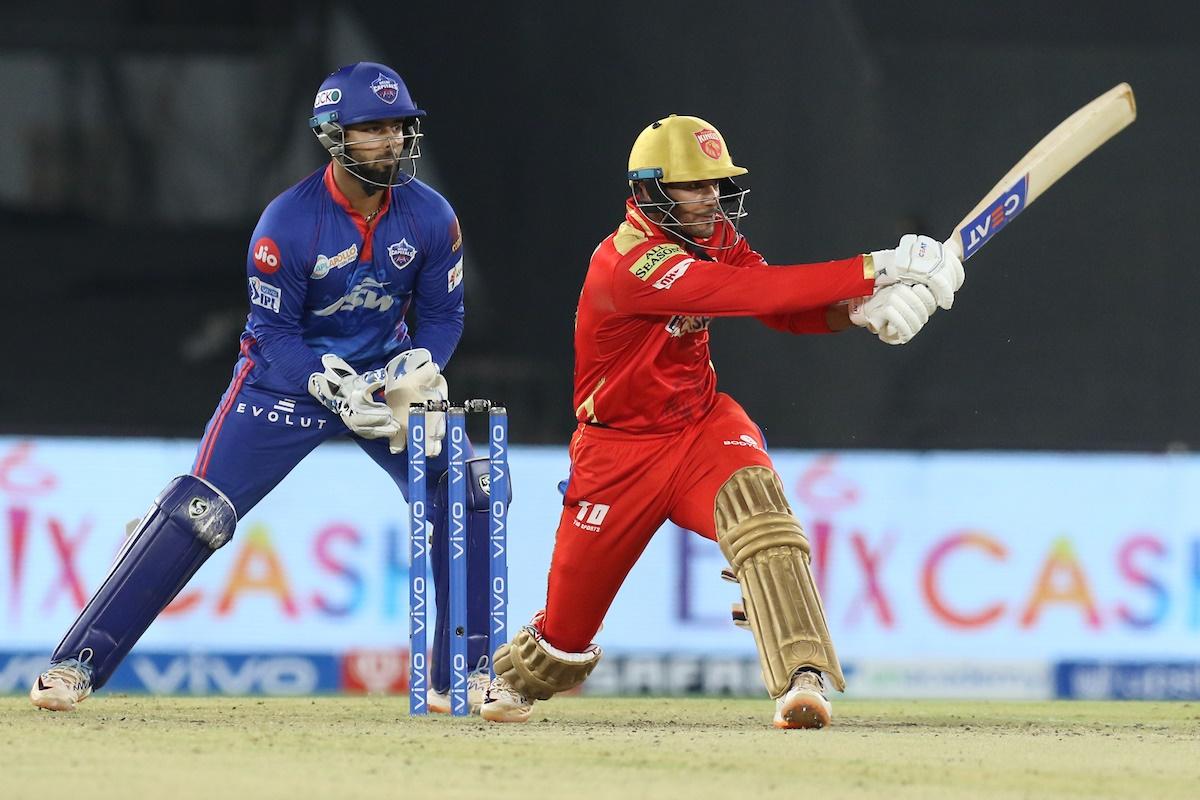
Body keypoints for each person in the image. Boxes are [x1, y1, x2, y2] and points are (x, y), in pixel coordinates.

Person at [30, 62, 500, 714]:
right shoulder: (288, 223)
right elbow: (272, 333)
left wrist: (417, 368)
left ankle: (466, 677)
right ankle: (75, 664)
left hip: (383, 383)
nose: (390, 141)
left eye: (398, 126)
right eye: (371, 129)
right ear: (334, 137)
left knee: (469, 484)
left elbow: (445, 315)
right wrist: (324, 383)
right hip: (285, 385)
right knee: (199, 513)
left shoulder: (430, 217)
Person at [479, 114, 963, 728]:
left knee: (765, 524)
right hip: (617, 455)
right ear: (653, 190)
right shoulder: (629, 264)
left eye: (717, 183)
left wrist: (856, 312)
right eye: (695, 185)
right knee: (566, 634)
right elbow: (754, 296)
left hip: (701, 427)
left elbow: (779, 304)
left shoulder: (713, 236)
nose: (712, 196)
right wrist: (881, 267)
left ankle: (800, 679)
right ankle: (515, 678)